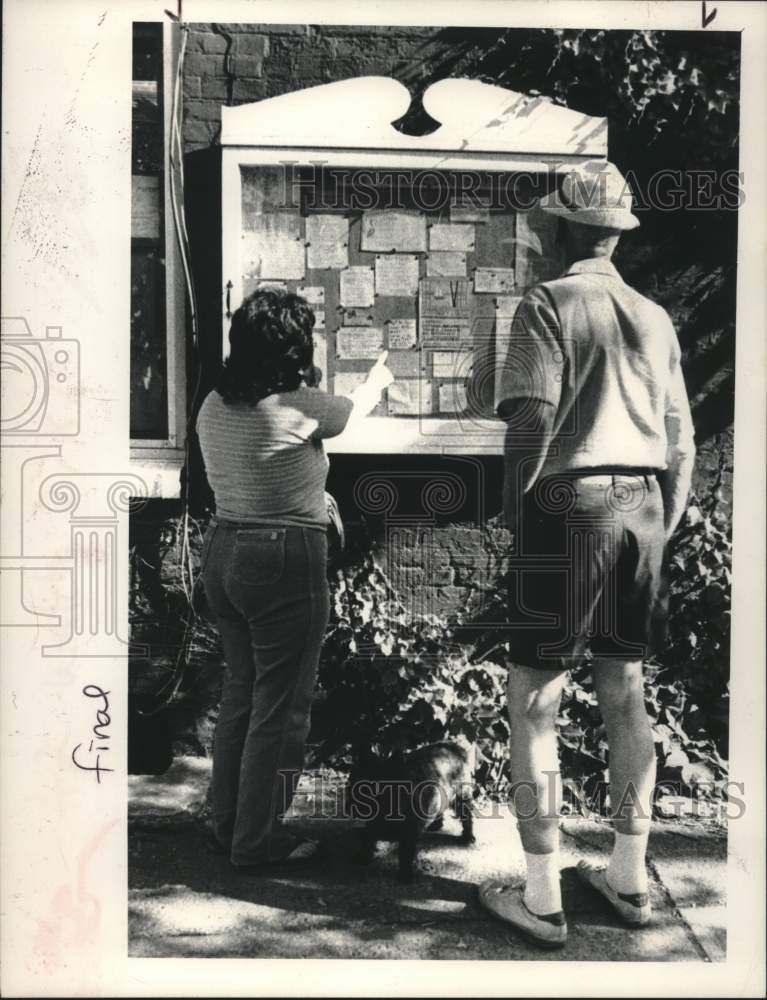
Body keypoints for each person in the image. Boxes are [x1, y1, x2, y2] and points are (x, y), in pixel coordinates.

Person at [478, 163, 696, 948]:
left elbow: (532, 420)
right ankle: (629, 880)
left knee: (534, 699)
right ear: (616, 232)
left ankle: (540, 899)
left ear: (563, 230)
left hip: (566, 505)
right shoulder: (654, 314)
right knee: (623, 692)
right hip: (640, 503)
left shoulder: (545, 302)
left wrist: (513, 507)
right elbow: (682, 442)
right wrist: (660, 524)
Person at [196, 288, 393, 871]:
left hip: (224, 550)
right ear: (295, 350)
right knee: (279, 710)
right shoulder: (304, 408)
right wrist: (375, 384)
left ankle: (227, 824)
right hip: (283, 560)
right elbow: (348, 411)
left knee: (241, 695)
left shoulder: (213, 403)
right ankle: (256, 844)